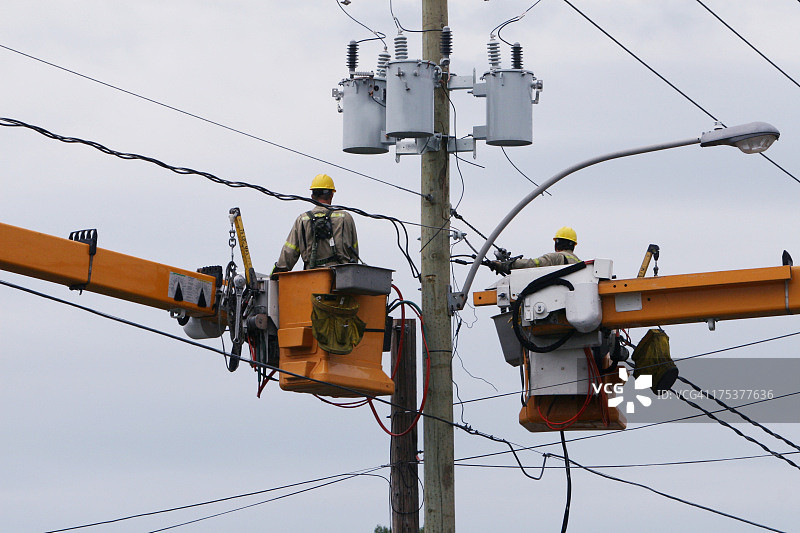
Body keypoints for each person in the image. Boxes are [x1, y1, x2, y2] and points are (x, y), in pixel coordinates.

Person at [272, 174, 359, 274]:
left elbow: (288, 255)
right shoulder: (345, 218)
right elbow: (354, 253)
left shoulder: (302, 220)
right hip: (342, 278)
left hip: (312, 278)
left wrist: (275, 274)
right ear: (332, 195)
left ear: (312, 197)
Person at [491, 226, 580, 274]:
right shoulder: (579, 263)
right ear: (573, 246)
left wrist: (506, 265)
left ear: (557, 243)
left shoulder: (556, 257)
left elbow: (533, 264)